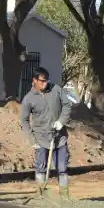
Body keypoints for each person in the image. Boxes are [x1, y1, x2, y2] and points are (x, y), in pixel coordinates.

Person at [20, 67, 74, 197]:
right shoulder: (28, 99)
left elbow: (67, 105)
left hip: (59, 138)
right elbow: (24, 120)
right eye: (42, 81)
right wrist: (32, 140)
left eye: (46, 81)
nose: (45, 84)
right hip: (41, 140)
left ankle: (64, 197)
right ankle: (42, 197)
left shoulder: (56, 90)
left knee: (62, 169)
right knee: (41, 169)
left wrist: (61, 121)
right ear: (34, 80)